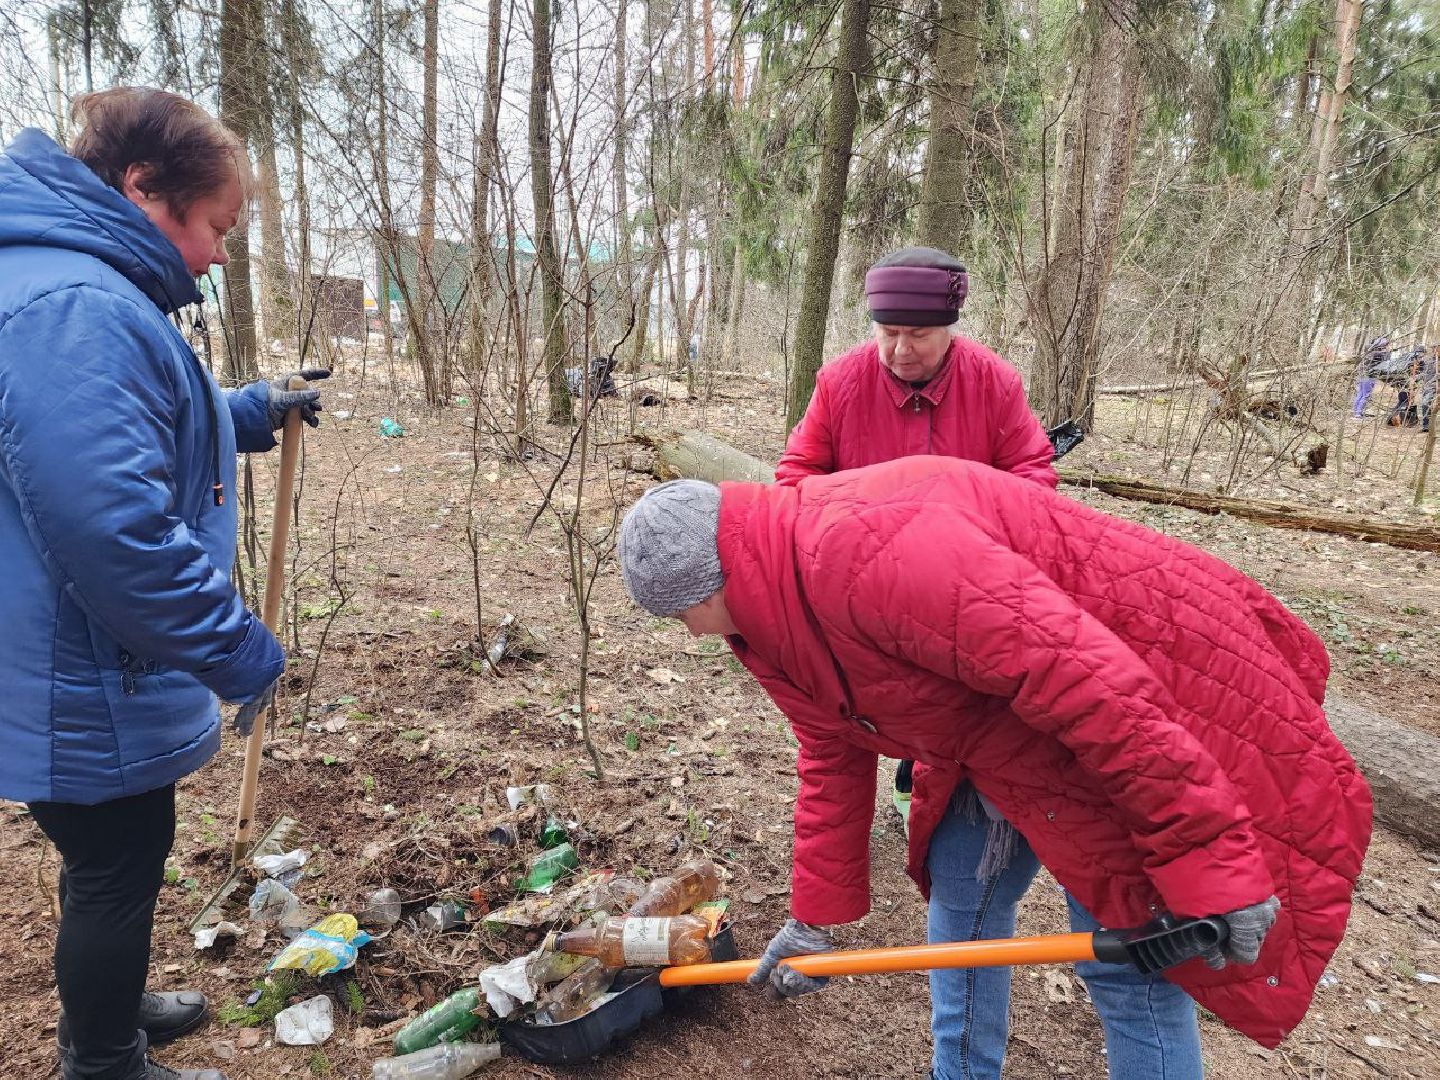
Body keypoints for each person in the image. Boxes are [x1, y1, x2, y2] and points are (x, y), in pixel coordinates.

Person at [617, 459, 1371, 1079]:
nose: (687, 634)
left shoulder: (867, 554)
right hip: (994, 733)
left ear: (711, 585)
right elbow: (832, 748)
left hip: (1138, 705)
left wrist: (1212, 866)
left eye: (681, 616)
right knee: (961, 918)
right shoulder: (769, 612)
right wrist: (814, 920)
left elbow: (1097, 691)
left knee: (1130, 967)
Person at [0, 88, 327, 1080]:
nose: (221, 253)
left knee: (115, 859)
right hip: (76, 659)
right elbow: (113, 527)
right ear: (144, 189)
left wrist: (234, 413)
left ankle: (114, 995)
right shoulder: (75, 308)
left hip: (67, 650)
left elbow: (109, 435)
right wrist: (236, 647)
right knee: (117, 856)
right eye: (214, 226)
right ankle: (105, 1060)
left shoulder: (70, 284)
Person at [777, 246, 1057, 831]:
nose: (901, 350)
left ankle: (924, 788)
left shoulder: (994, 382)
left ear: (950, 331)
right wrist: (836, 542)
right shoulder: (841, 383)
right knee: (863, 698)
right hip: (860, 582)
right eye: (889, 332)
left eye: (919, 335)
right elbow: (796, 479)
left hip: (963, 582)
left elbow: (1033, 477)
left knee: (948, 698)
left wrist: (988, 541)